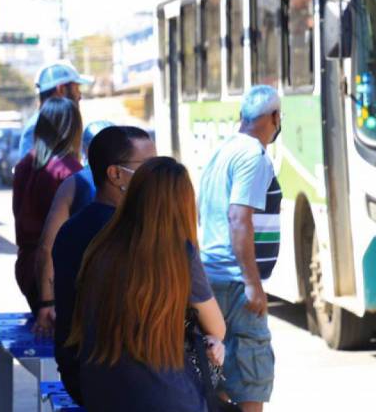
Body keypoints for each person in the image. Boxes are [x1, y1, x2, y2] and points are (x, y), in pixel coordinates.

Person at [68, 157, 227, 412]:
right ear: (183, 205)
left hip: (100, 393)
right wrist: (213, 340)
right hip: (169, 397)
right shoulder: (180, 254)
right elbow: (217, 328)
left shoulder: (101, 247)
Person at [51, 125, 156, 404]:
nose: (154, 176)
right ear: (115, 174)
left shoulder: (71, 229)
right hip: (122, 381)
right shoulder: (130, 233)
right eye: (148, 166)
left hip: (80, 373)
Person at [197, 85, 281, 411]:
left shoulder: (224, 151)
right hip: (235, 283)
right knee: (250, 378)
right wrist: (252, 283)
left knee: (217, 373)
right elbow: (238, 217)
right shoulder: (254, 156)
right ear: (274, 117)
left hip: (212, 280)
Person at [13, 96, 83, 324]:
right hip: (54, 276)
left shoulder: (24, 165)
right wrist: (47, 299)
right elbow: (51, 244)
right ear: (73, 129)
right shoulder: (69, 171)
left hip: (26, 267)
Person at [18, 61, 92, 158]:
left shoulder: (63, 123)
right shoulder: (37, 127)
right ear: (61, 90)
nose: (79, 95)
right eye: (76, 88)